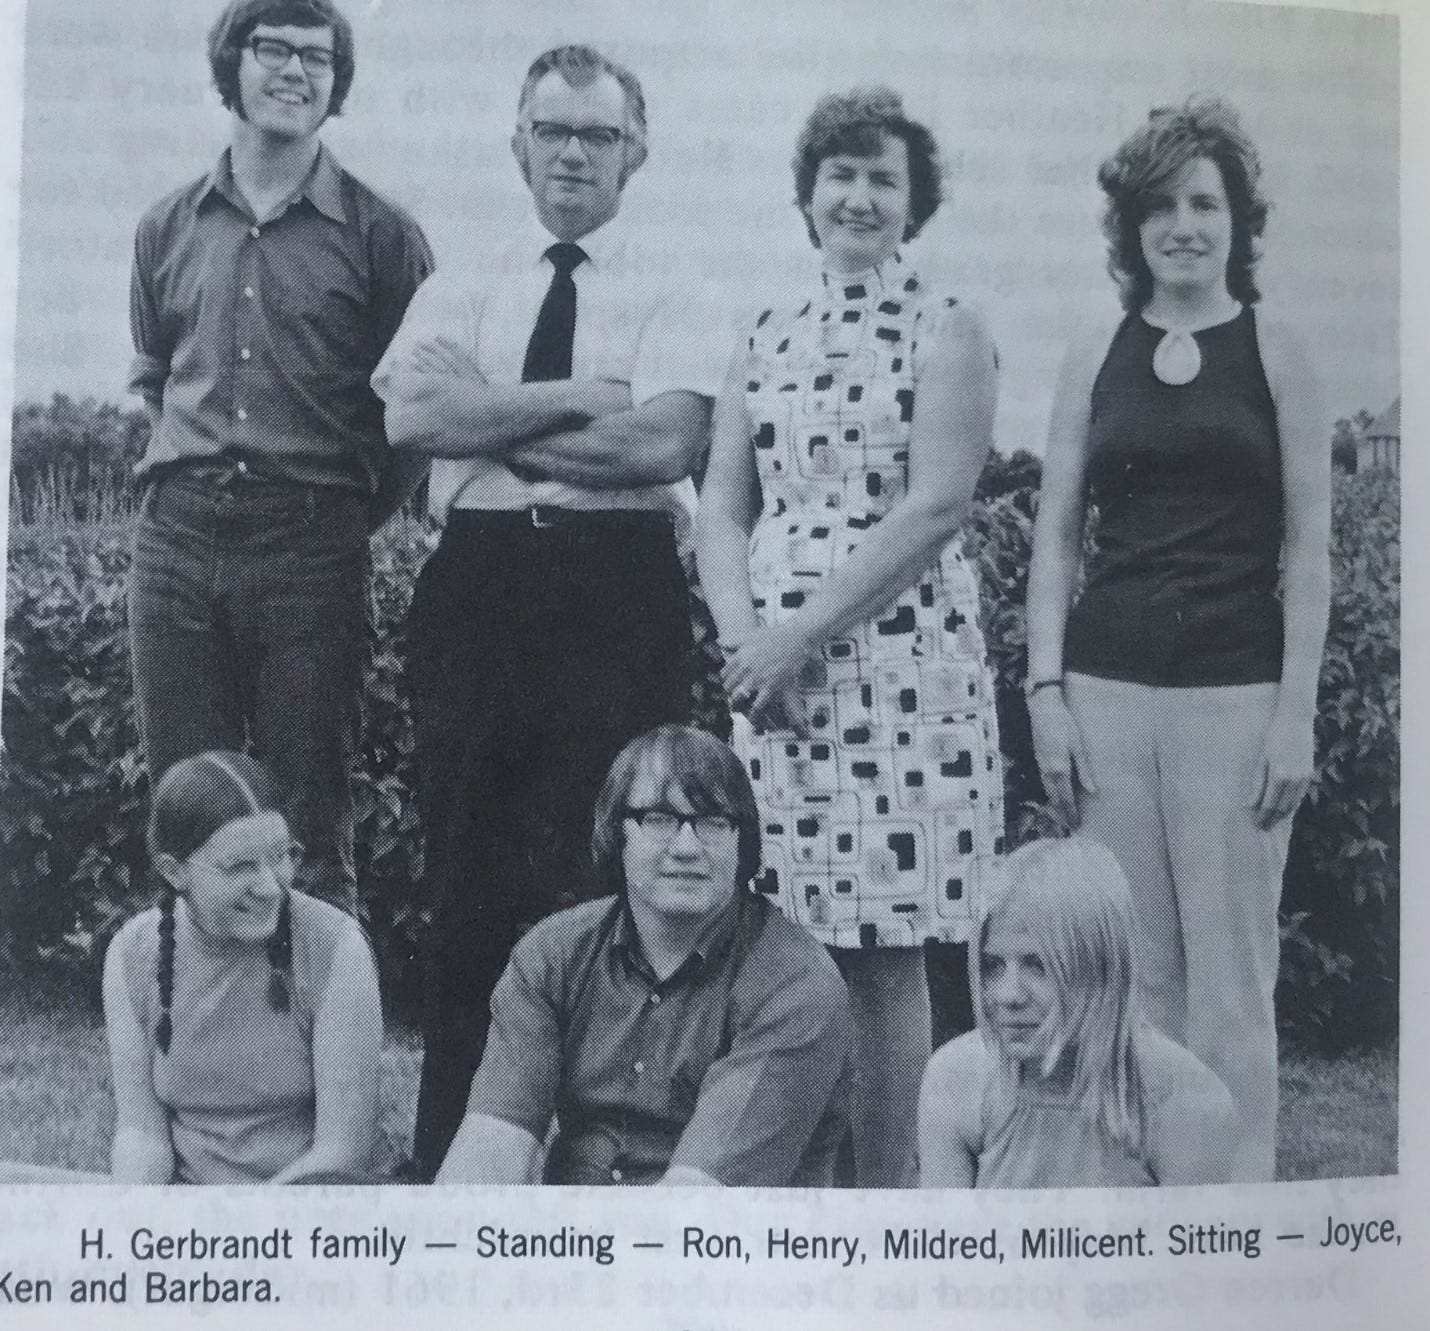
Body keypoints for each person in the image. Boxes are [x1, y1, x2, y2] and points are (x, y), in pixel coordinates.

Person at [372, 45, 732, 1178]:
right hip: (477, 586)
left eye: (598, 134)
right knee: (465, 873)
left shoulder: (678, 282)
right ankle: (454, 1157)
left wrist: (491, 419)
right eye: (553, 131)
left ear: (636, 151)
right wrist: (579, 398)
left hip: (616, 586)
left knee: (612, 871)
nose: (574, 153)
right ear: (517, 143)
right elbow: (411, 418)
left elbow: (661, 443)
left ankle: (600, 1158)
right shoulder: (464, 276)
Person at [695, 88, 1002, 1186]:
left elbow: (934, 508)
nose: (860, 197)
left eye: (883, 179)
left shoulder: (948, 324)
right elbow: (722, 504)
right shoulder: (764, 330)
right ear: (808, 192)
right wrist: (747, 643)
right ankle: (797, 1195)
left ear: (914, 202)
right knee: (784, 940)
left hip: (900, 670)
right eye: (841, 175)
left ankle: (890, 1201)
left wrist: (795, 638)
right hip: (775, 683)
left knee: (881, 955)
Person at [1024, 97, 1330, 1182]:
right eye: (1159, 207)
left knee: (1231, 985)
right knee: (1133, 976)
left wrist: (1295, 714)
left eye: (1204, 203)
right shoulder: (1094, 351)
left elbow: (1311, 548)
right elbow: (1054, 536)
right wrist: (1044, 691)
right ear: (1131, 226)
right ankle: (1140, 1210)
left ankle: (1235, 1219)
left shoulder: (1277, 352)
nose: (1183, 226)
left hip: (1234, 695)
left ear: (1238, 221)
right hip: (1104, 691)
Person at [126, 0, 434, 911]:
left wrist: (337, 515)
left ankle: (316, 1007)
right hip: (175, 541)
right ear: (233, 64)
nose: (295, 71)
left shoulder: (383, 235)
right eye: (273, 49)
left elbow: (410, 419)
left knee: (303, 825)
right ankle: (189, 1007)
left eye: (317, 57)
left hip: (311, 546)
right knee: (188, 817)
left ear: (337, 83)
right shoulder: (166, 225)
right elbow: (157, 382)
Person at [437, 726, 852, 1186]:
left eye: (714, 822)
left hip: (713, 1226)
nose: (687, 848)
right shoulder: (553, 956)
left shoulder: (796, 984)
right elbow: (491, 1147)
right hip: (578, 1225)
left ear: (743, 841)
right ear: (618, 833)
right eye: (658, 819)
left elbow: (696, 1202)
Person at [103, 752, 383, 1184]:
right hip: (187, 1208)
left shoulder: (334, 945)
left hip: (305, 1203)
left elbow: (343, 1152)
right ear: (174, 872)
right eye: (240, 867)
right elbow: (142, 1134)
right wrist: (136, 1211)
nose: (270, 887)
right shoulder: (132, 954)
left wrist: (241, 1221)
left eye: (281, 856)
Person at [918, 838, 1237, 1187]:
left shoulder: (1187, 1103)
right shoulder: (957, 1079)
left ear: (1101, 968)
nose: (1008, 995)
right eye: (993, 966)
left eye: (1038, 965)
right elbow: (946, 1223)